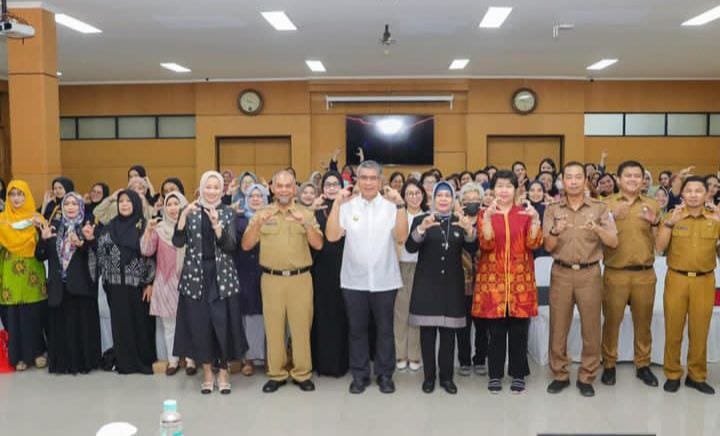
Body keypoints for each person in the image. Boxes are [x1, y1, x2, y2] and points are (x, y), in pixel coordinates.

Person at [325, 160, 409, 394]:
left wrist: (401, 204)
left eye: (374, 178)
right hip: (354, 280)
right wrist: (337, 204)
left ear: (381, 181)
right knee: (357, 329)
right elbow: (332, 236)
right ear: (357, 181)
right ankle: (360, 375)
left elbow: (401, 236)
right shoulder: (348, 206)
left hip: (385, 279)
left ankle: (384, 375)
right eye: (364, 178)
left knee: (385, 329)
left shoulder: (391, 206)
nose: (369, 182)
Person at [241, 170, 323, 393]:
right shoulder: (262, 214)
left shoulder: (306, 213)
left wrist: (305, 224)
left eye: (288, 185)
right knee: (274, 328)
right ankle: (276, 374)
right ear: (273, 188)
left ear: (294, 188)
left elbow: (318, 245)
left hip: (300, 279)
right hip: (271, 279)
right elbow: (246, 245)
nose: (284, 190)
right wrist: (257, 225)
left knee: (301, 328)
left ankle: (302, 373)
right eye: (280, 185)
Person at [543, 162, 618, 397]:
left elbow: (613, 242)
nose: (573, 181)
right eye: (569, 177)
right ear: (562, 181)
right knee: (558, 326)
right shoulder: (552, 209)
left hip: (590, 274)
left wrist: (597, 228)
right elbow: (547, 245)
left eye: (578, 177)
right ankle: (560, 374)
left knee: (591, 327)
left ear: (585, 180)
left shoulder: (599, 208)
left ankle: (587, 376)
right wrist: (556, 230)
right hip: (561, 272)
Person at [173, 171, 247, 394]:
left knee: (222, 324)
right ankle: (207, 372)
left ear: (222, 190)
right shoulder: (191, 211)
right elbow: (177, 241)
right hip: (195, 276)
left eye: (217, 187)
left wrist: (217, 226)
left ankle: (223, 371)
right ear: (201, 188)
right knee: (200, 325)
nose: (212, 191)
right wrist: (183, 217)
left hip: (221, 276)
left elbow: (231, 245)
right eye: (208, 187)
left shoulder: (227, 212)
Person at [474, 170, 542, 394]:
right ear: (493, 189)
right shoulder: (485, 213)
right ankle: (495, 374)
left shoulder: (524, 213)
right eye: (500, 186)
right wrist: (486, 219)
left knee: (519, 332)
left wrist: (535, 220)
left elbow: (533, 244)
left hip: (520, 281)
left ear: (516, 190)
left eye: (508, 186)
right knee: (495, 332)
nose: (504, 190)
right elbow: (486, 244)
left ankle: (518, 373)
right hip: (494, 282)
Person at [406, 181, 476, 394]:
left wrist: (468, 230)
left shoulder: (459, 221)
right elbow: (410, 247)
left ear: (453, 199)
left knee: (448, 336)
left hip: (452, 287)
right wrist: (421, 229)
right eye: (440, 195)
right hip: (427, 286)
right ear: (433, 199)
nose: (444, 199)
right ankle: (429, 378)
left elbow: (473, 249)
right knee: (427, 336)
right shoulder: (422, 219)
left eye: (448, 195)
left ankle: (447, 378)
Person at [656, 176, 720, 395]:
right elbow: (659, 246)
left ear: (706, 194)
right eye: (689, 190)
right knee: (673, 329)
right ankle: (672, 373)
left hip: (704, 280)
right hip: (677, 279)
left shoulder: (715, 218)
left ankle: (697, 376)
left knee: (700, 331)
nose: (693, 194)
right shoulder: (673, 216)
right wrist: (669, 223)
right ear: (682, 194)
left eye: (698, 190)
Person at [600, 161, 661, 388]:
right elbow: (597, 236)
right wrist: (612, 216)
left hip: (645, 273)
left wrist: (654, 222)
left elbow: (660, 244)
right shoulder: (606, 204)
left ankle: (643, 365)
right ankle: (608, 364)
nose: (633, 179)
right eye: (628, 175)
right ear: (618, 179)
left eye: (638, 176)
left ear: (643, 180)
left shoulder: (652, 204)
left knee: (643, 322)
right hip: (615, 273)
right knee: (611, 322)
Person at [89, 190, 156, 375]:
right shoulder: (111, 226)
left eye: (128, 201)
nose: (124, 204)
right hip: (115, 285)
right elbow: (101, 250)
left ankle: (143, 361)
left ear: (135, 203)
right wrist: (90, 240)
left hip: (138, 285)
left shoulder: (143, 225)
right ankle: (125, 362)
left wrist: (150, 282)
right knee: (121, 324)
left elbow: (151, 253)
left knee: (140, 323)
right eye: (121, 201)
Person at [36, 192, 100, 374]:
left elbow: (96, 255)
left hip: (80, 287)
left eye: (74, 204)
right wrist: (43, 240)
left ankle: (82, 364)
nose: (70, 207)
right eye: (67, 204)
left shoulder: (86, 228)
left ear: (80, 207)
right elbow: (40, 256)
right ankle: (61, 364)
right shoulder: (54, 228)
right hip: (58, 288)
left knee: (80, 327)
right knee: (60, 328)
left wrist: (84, 244)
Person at [140, 191, 195, 376]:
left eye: (176, 204)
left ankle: (190, 360)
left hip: (188, 281)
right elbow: (146, 251)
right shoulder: (159, 228)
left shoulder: (191, 226)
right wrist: (148, 230)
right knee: (170, 325)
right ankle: (173, 361)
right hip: (164, 282)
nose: (173, 208)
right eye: (169, 204)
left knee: (189, 322)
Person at [0, 180, 48, 371]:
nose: (17, 198)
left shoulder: (37, 218)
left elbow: (44, 247)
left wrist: (39, 229)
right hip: (10, 274)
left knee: (34, 314)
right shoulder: (2, 219)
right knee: (13, 316)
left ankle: (37, 352)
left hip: (32, 273)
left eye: (21, 194)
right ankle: (18, 356)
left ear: (27, 195)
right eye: (13, 194)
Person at [310, 171, 350, 377]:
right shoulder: (316, 210)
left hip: (346, 270)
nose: (332, 188)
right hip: (321, 271)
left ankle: (341, 363)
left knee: (342, 316)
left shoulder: (350, 209)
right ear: (322, 188)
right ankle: (321, 363)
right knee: (322, 316)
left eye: (336, 184)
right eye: (328, 184)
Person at [234, 183, 269, 376]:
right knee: (248, 316)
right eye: (252, 196)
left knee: (267, 316)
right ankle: (248, 359)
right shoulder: (238, 220)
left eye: (260, 195)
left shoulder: (272, 217)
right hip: (244, 271)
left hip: (268, 272)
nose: (256, 199)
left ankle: (266, 357)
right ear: (246, 198)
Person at [456, 182, 489, 376]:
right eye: (467, 199)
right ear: (461, 201)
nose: (471, 202)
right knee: (463, 324)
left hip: (485, 279)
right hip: (461, 279)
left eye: (475, 199)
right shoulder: (456, 219)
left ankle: (480, 359)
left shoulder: (487, 219)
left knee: (483, 324)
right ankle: (464, 360)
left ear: (481, 200)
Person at [394, 179, 426, 373]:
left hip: (423, 269)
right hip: (400, 267)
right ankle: (400, 354)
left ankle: (415, 355)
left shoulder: (429, 216)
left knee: (417, 314)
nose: (414, 196)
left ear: (423, 195)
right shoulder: (398, 214)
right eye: (410, 193)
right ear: (404, 196)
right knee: (400, 313)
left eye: (417, 193)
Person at [527, 181, 550, 258]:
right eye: (532, 190)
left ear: (544, 193)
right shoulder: (522, 209)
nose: (535, 193)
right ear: (528, 193)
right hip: (526, 252)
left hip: (544, 252)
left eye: (539, 190)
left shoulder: (549, 208)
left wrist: (551, 209)